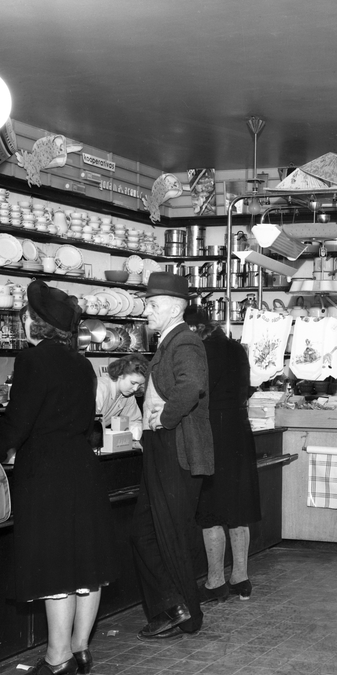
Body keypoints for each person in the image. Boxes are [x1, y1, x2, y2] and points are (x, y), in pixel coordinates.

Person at [0, 280, 117, 675]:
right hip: (82, 467)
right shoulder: (82, 364)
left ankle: (56, 657)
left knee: (55, 565)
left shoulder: (32, 361)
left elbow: (18, 422)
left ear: (35, 322)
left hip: (46, 473)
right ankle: (80, 647)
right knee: (85, 564)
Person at [131, 272, 214, 640]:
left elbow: (192, 385)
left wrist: (164, 419)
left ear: (176, 307)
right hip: (162, 447)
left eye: (153, 303)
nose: (146, 310)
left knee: (169, 535)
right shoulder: (169, 341)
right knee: (145, 533)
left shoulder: (185, 342)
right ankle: (173, 607)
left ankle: (187, 613)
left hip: (174, 447)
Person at [184, 305, 261, 602]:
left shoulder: (200, 352)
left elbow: (194, 395)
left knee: (211, 511)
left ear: (194, 329)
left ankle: (215, 582)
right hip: (239, 432)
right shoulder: (237, 349)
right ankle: (241, 578)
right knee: (238, 510)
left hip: (211, 435)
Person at [95, 353, 147, 437]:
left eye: (140, 385)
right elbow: (89, 423)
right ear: (120, 374)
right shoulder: (100, 388)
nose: (135, 389)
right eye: (133, 383)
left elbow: (134, 421)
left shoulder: (127, 395)